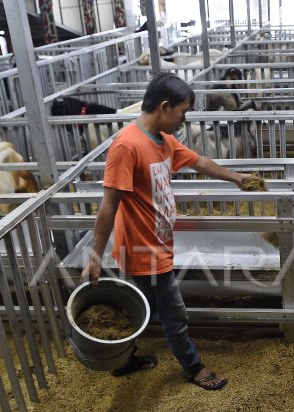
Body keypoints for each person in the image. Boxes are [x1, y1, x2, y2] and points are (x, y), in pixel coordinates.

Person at [81, 72, 253, 390]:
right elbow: (108, 204)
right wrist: (94, 254)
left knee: (140, 309)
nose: (183, 120)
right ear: (164, 107)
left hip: (159, 244)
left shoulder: (163, 141)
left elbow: (199, 161)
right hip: (142, 250)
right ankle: (194, 367)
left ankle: (122, 359)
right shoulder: (127, 146)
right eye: (182, 112)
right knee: (174, 314)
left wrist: (236, 177)